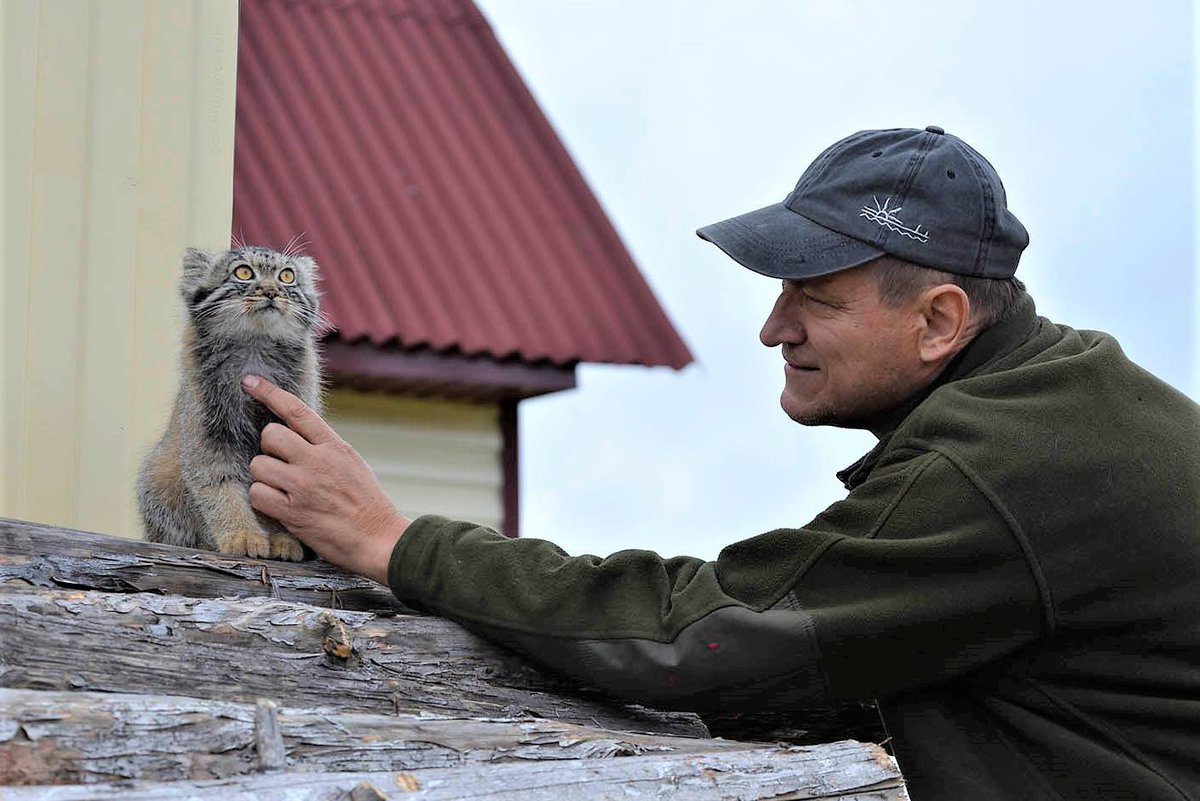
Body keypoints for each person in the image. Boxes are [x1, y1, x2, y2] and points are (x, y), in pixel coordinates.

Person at [240, 126, 1200, 801]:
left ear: (939, 320)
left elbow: (692, 633)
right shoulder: (1069, 396)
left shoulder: (1004, 468)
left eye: (814, 299)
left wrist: (396, 541)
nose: (772, 327)